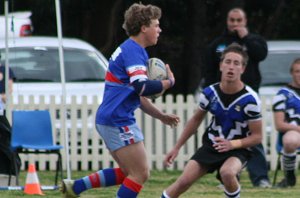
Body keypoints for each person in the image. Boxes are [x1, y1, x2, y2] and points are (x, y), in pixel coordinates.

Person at [61, 3, 180, 198]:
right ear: (144, 27)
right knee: (140, 173)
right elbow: (142, 87)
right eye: (156, 25)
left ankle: (76, 187)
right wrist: (168, 83)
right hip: (117, 120)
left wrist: (161, 116)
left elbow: (137, 95)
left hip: (111, 118)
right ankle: (76, 187)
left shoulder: (132, 49)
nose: (160, 29)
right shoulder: (133, 51)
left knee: (128, 172)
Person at [161, 43, 262, 198]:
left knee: (227, 173)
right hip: (212, 145)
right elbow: (195, 121)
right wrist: (176, 148)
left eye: (236, 63)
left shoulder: (250, 100)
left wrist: (232, 144)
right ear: (221, 65)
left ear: (243, 69)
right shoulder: (209, 93)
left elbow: (257, 137)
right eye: (227, 62)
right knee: (183, 181)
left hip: (238, 149)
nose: (231, 67)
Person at [202, 7, 270, 188]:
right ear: (227, 21)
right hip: (223, 98)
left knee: (252, 137)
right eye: (232, 20)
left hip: (248, 97)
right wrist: (208, 91)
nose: (235, 24)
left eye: (238, 20)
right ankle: (228, 178)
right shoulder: (218, 44)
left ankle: (260, 178)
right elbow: (209, 70)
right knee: (225, 137)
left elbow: (262, 54)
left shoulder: (253, 41)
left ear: (245, 21)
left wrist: (246, 37)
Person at [272, 58, 300, 188]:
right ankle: (289, 175)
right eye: (297, 71)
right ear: (292, 73)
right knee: (289, 140)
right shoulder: (282, 94)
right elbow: (279, 125)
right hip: (295, 132)